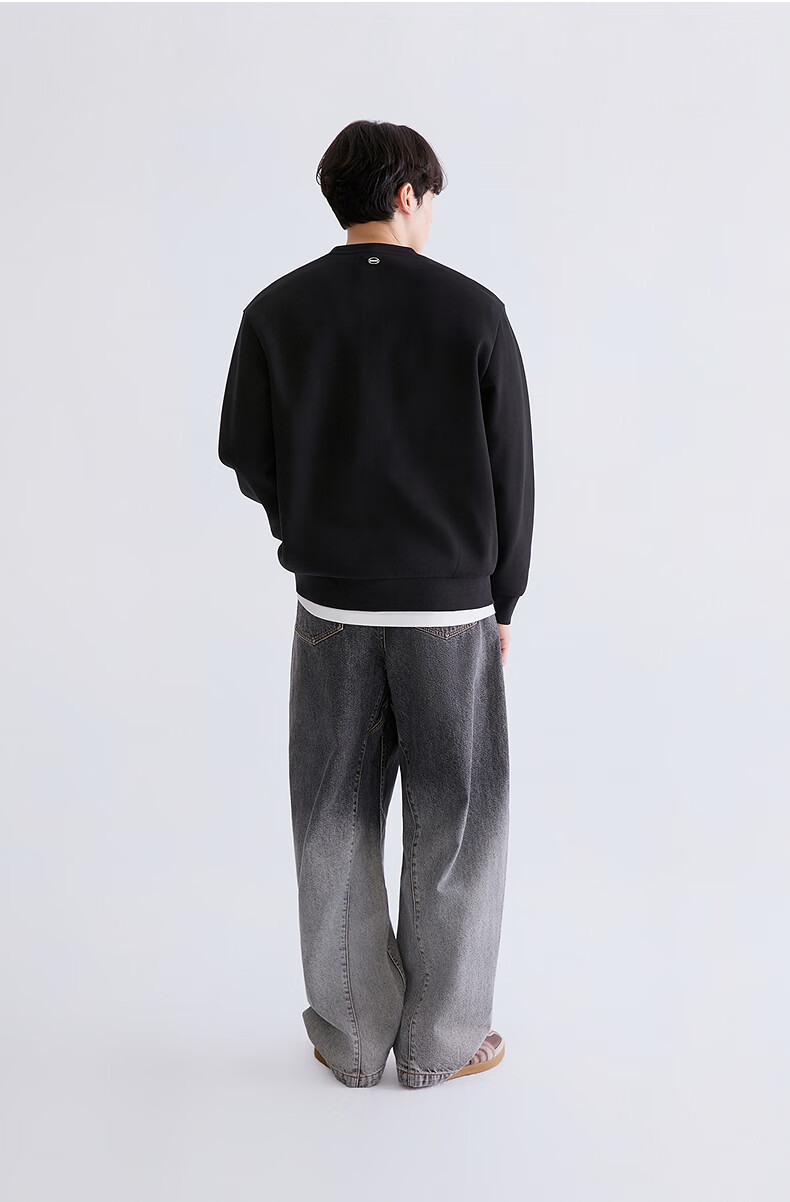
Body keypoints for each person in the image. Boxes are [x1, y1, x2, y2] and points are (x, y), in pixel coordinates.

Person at [218, 119, 535, 1089]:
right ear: (406, 196)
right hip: (449, 613)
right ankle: (441, 1043)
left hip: (332, 610)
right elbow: (512, 473)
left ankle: (352, 1038)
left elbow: (244, 452)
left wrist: (307, 526)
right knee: (458, 823)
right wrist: (504, 599)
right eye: (429, 199)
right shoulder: (473, 311)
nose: (430, 216)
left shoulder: (277, 310)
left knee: (332, 821)